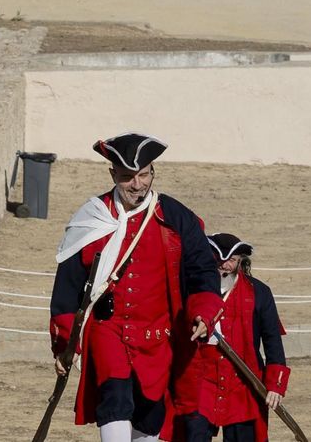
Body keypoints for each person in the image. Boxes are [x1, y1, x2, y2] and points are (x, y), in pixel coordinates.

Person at [49, 132, 224, 442]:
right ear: (113, 174)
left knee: (150, 412)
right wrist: (66, 343)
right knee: (115, 399)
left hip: (159, 334)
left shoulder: (175, 217)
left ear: (153, 173)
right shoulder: (92, 217)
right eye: (128, 177)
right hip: (108, 330)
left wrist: (203, 312)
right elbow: (68, 286)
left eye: (144, 175)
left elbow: (202, 270)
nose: (138, 184)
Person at [173, 233, 290, 442]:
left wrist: (276, 384)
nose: (225, 265)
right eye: (219, 259)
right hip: (201, 379)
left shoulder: (260, 292)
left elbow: (272, 339)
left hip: (243, 381)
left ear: (240, 261)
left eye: (232, 260)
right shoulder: (191, 287)